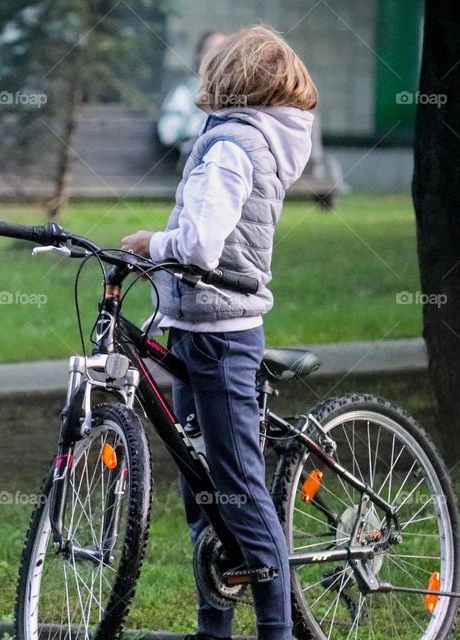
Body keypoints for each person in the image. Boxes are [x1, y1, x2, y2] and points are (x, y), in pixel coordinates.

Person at [121, 26, 317, 640]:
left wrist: (151, 243)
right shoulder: (247, 138)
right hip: (198, 327)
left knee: (236, 488)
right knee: (204, 487)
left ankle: (276, 631)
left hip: (220, 335)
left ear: (228, 78)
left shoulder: (231, 144)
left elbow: (201, 246)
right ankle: (214, 629)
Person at [157, 30, 226, 170]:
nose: (218, 57)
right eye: (212, 50)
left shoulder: (238, 94)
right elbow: (168, 133)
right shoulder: (184, 93)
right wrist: (206, 123)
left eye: (224, 52)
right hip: (197, 169)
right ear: (198, 54)